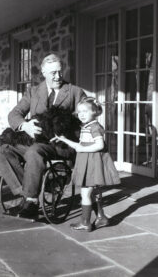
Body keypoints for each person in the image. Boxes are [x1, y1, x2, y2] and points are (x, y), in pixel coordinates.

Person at [0, 53, 86, 218]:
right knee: (2, 151)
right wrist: (25, 125)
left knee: (34, 151)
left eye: (59, 72)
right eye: (53, 73)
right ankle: (27, 193)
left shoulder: (75, 92)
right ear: (43, 72)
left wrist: (67, 129)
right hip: (36, 141)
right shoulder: (34, 91)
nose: (58, 76)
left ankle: (32, 200)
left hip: (61, 145)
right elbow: (14, 114)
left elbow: (86, 119)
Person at [51, 97, 120, 232]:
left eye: (85, 111)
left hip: (92, 164)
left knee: (85, 194)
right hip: (87, 162)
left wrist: (82, 149)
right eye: (79, 112)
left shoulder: (95, 127)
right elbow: (79, 145)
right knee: (92, 193)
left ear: (94, 112)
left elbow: (100, 145)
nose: (81, 114)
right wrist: (64, 139)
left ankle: (85, 222)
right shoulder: (87, 126)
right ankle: (101, 218)